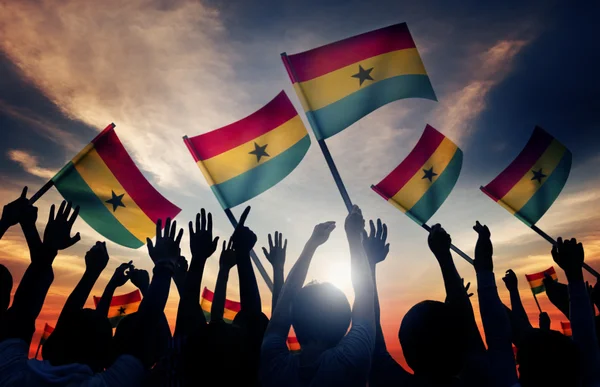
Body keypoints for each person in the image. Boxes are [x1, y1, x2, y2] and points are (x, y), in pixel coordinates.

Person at [261, 204, 375, 387]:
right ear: (346, 322)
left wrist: (311, 245)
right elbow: (366, 293)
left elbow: (282, 308)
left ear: (295, 321)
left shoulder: (274, 364)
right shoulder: (353, 360)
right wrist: (354, 237)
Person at [369, 223, 489, 387]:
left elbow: (372, 331)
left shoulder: (394, 382)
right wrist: (443, 255)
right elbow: (466, 322)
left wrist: (369, 264)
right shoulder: (484, 379)